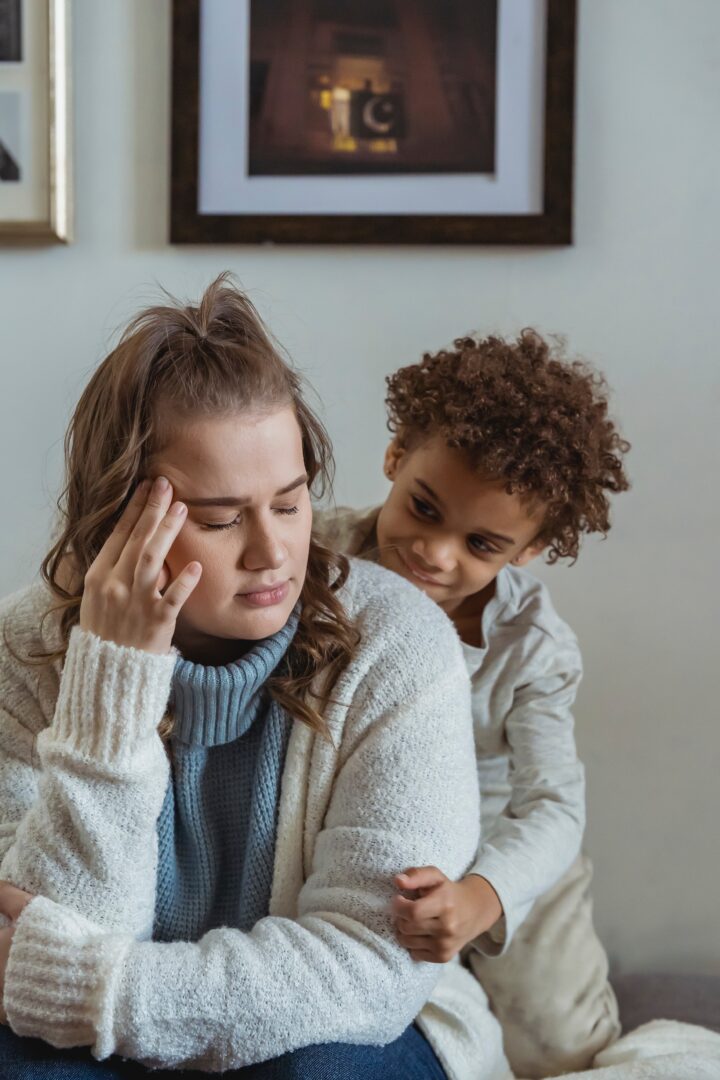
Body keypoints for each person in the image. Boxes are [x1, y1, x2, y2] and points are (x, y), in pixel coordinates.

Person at [0, 277, 509, 1079]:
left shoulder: (399, 646)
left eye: (291, 502)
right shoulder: (27, 647)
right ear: (118, 519)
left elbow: (362, 970)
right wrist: (114, 679)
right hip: (98, 1044)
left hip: (344, 1031)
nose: (273, 553)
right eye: (220, 519)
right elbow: (34, 935)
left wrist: (94, 990)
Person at [315, 330, 631, 1078]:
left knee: (555, 1047)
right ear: (395, 459)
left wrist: (484, 896)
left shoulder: (536, 648)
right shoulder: (316, 561)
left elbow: (553, 806)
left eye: (481, 544)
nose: (436, 553)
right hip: (370, 836)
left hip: (502, 851)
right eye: (422, 509)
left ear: (528, 549)